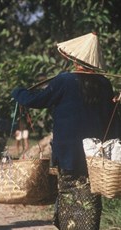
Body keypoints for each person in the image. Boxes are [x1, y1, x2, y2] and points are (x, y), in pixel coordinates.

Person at [11, 32, 121, 229]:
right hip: (95, 154)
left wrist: (18, 92)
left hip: (68, 153)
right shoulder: (104, 83)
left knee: (68, 193)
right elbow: (109, 118)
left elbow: (36, 100)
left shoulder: (64, 81)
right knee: (91, 195)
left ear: (74, 58)